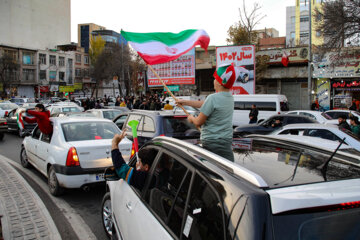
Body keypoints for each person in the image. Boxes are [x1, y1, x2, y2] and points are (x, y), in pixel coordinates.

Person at [176, 64, 235, 161]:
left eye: (215, 79)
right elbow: (205, 104)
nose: (214, 81)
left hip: (211, 143)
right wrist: (185, 102)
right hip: (226, 142)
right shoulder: (230, 98)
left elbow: (198, 122)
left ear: (220, 82)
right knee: (227, 171)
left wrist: (191, 118)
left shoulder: (212, 98)